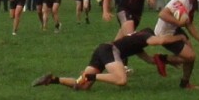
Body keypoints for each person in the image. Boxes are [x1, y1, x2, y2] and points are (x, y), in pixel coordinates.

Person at [31, 28, 187, 90]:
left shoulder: (137, 42)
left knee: (82, 87)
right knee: (121, 80)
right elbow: (160, 41)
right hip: (109, 50)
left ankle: (53, 79)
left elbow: (150, 60)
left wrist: (169, 60)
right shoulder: (146, 36)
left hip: (102, 49)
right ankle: (89, 76)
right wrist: (179, 36)